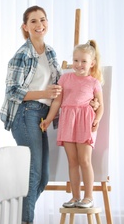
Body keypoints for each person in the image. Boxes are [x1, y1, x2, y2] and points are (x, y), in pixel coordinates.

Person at [0, 5, 62, 224]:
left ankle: (16, 219)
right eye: (33, 21)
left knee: (43, 176)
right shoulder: (22, 54)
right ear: (25, 27)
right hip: (24, 113)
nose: (40, 25)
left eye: (43, 20)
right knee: (33, 172)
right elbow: (12, 91)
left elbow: (57, 88)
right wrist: (44, 92)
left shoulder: (51, 53)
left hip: (41, 116)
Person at [40, 40, 104, 209]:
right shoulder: (65, 78)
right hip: (68, 120)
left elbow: (101, 106)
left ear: (92, 63)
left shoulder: (93, 82)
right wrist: (48, 119)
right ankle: (75, 197)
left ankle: (88, 197)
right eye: (76, 60)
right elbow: (57, 102)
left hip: (85, 121)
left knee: (85, 160)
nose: (79, 64)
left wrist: (97, 119)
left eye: (83, 61)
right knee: (72, 161)